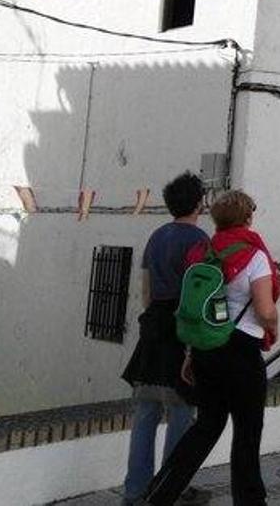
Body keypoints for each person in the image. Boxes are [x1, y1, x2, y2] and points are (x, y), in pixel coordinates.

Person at [144, 191, 280, 506]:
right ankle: (250, 502)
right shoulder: (254, 255)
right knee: (247, 433)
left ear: (217, 220)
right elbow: (264, 309)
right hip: (242, 351)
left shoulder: (201, 252)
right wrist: (273, 326)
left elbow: (194, 306)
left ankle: (160, 493)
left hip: (206, 348)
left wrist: (191, 354)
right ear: (247, 218)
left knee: (205, 426)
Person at [120, 172, 210, 505]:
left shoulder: (156, 237)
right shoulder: (200, 240)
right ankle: (170, 489)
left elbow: (145, 291)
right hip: (181, 330)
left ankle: (135, 490)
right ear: (198, 203)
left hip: (153, 329)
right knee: (182, 414)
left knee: (145, 412)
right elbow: (199, 291)